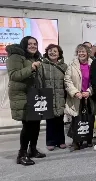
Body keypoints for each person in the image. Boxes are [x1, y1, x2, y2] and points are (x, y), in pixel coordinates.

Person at [6, 36, 46, 166]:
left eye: (35, 43)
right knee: (28, 126)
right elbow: (14, 75)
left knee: (36, 124)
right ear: (24, 44)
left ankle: (32, 149)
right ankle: (21, 154)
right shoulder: (16, 56)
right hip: (22, 95)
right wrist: (32, 68)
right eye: (30, 44)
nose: (33, 46)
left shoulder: (35, 57)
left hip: (34, 95)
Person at [64, 44, 94, 151]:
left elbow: (95, 81)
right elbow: (67, 81)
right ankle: (76, 141)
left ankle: (88, 138)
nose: (81, 53)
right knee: (76, 119)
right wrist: (75, 92)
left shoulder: (93, 64)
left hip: (88, 97)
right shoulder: (72, 65)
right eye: (79, 51)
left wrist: (89, 91)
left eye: (83, 51)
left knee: (89, 118)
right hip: (77, 97)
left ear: (87, 53)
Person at [40, 44, 68, 151]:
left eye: (55, 51)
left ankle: (61, 141)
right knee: (50, 121)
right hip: (47, 97)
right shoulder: (42, 65)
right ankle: (50, 141)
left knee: (60, 120)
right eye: (50, 51)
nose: (52, 53)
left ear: (59, 53)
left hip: (60, 96)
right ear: (47, 52)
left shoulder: (64, 66)